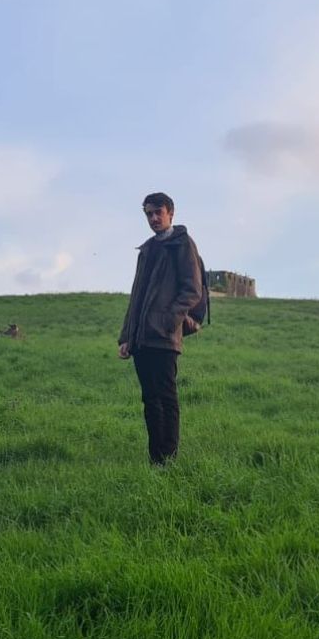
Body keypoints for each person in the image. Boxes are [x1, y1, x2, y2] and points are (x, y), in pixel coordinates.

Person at [118, 192, 203, 466]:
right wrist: (126, 337)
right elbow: (137, 296)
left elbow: (193, 290)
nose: (154, 218)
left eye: (158, 212)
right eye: (149, 214)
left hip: (165, 337)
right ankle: (156, 459)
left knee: (166, 398)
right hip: (141, 338)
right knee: (150, 400)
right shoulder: (147, 250)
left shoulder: (182, 245)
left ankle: (169, 459)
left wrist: (169, 320)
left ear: (171, 213)